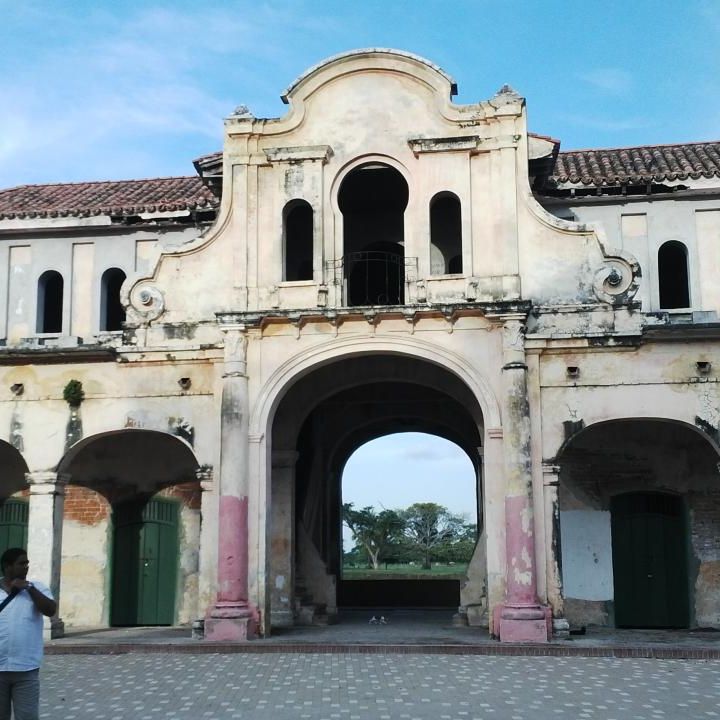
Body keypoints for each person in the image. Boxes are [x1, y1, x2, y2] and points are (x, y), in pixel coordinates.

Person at [0, 548, 56, 720]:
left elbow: (50, 610)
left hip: (26, 669)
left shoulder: (37, 588)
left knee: (27, 716)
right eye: (21, 563)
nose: (26, 567)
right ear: (8, 567)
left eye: (27, 564)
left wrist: (29, 589)